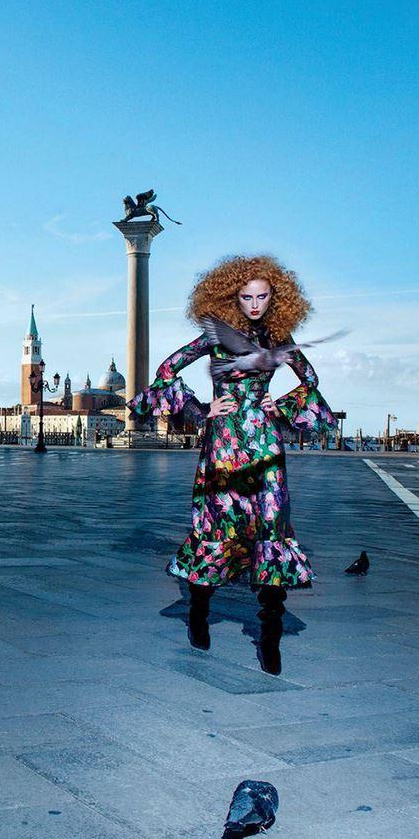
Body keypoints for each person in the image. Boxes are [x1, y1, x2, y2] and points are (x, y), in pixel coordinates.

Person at [128, 254, 337, 673]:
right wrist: (199, 408)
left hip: (264, 443)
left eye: (263, 296)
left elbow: (310, 379)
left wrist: (279, 404)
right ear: (233, 297)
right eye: (247, 297)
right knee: (219, 526)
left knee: (272, 527)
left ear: (276, 296)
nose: (255, 304)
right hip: (223, 444)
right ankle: (199, 612)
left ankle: (270, 634)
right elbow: (167, 370)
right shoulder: (215, 336)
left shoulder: (280, 336)